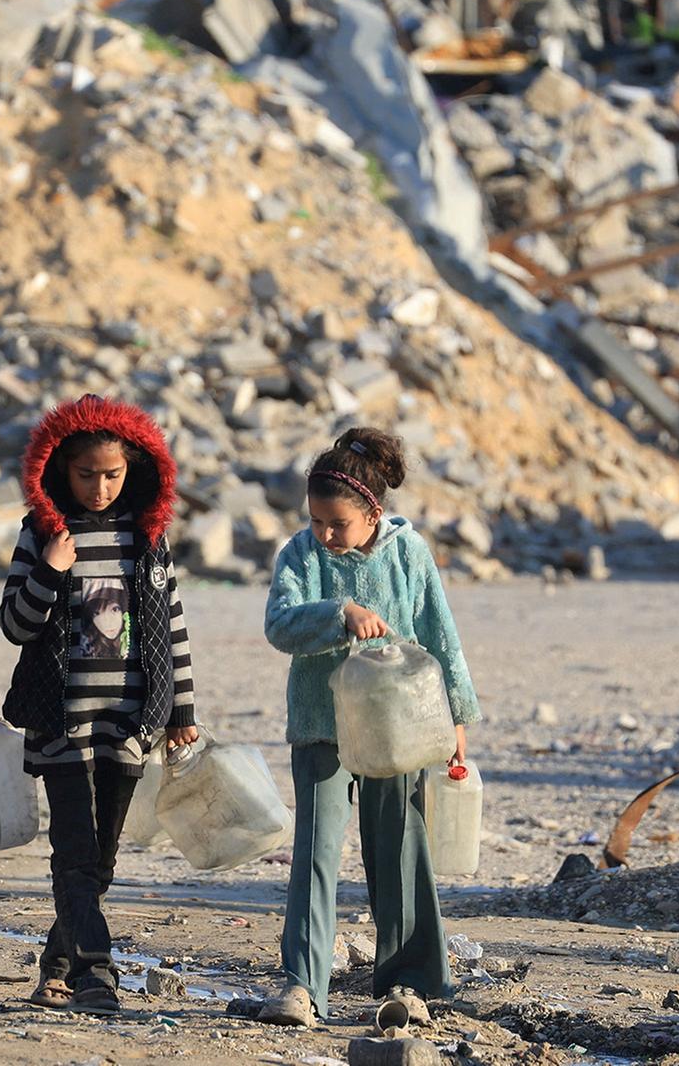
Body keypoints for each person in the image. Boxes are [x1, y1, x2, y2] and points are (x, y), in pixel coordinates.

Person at [257, 427, 480, 1027]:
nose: (326, 535)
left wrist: (458, 716)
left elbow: (441, 636)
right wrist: (338, 614)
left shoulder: (409, 554)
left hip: (398, 729)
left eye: (339, 525)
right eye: (318, 522)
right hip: (320, 725)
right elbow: (279, 624)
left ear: (372, 511)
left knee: (399, 851)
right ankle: (303, 986)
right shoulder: (300, 555)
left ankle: (408, 983)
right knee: (315, 856)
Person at [0, 395, 199, 1015]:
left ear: (134, 470)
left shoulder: (146, 538)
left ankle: (56, 966)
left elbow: (172, 625)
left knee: (101, 858)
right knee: (75, 853)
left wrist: (182, 712)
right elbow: (15, 625)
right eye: (87, 475)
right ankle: (96, 970)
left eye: (112, 475)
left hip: (127, 722)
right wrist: (51, 572)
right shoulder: (43, 534)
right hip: (60, 722)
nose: (100, 487)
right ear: (60, 469)